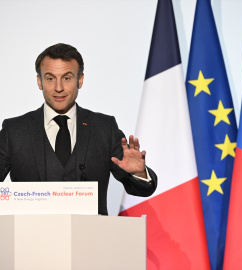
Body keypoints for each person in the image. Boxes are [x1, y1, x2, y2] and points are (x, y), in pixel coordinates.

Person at [0, 43, 157, 215]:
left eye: (67, 78)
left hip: (91, 239)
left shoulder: (104, 128)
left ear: (80, 80)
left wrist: (139, 173)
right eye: (50, 78)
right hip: (29, 238)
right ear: (39, 81)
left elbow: (141, 189)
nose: (58, 87)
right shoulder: (14, 130)